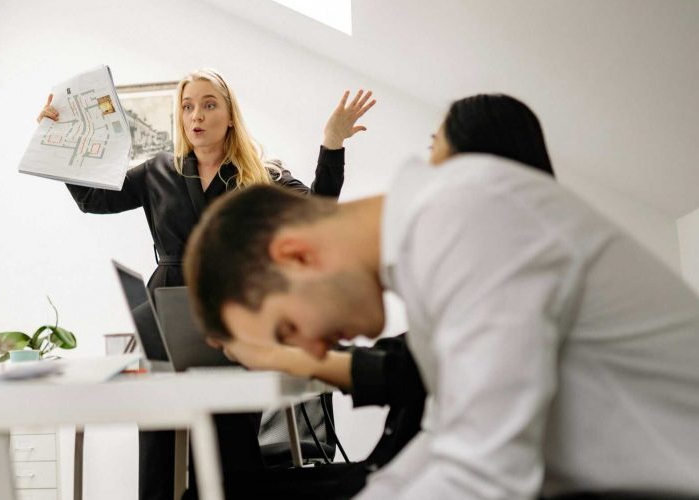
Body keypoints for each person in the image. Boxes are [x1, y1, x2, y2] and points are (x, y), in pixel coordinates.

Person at [183, 153, 699, 497]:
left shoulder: (462, 219)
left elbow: (482, 475)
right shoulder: (427, 247)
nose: (312, 352)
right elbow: (444, 440)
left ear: (294, 256)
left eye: (288, 329)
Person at [38, 68, 375, 499]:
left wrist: (332, 144)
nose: (196, 114)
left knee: (227, 440)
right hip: (167, 313)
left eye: (209, 104)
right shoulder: (158, 170)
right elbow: (92, 200)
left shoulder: (259, 175)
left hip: (232, 319)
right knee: (160, 433)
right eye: (187, 105)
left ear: (230, 115)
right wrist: (60, 139)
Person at [266, 93, 559, 471]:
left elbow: (418, 366)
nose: (426, 165)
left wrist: (314, 359)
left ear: (479, 163)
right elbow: (422, 353)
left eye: (434, 147)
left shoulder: (519, 258)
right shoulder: (502, 243)